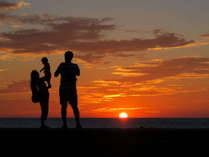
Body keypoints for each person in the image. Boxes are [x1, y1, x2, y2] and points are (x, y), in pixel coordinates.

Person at [54, 51, 82, 129]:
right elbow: (78, 74)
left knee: (65, 107)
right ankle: (77, 124)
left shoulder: (62, 65)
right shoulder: (74, 66)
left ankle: (66, 124)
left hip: (65, 89)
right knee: (73, 107)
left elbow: (55, 74)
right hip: (70, 89)